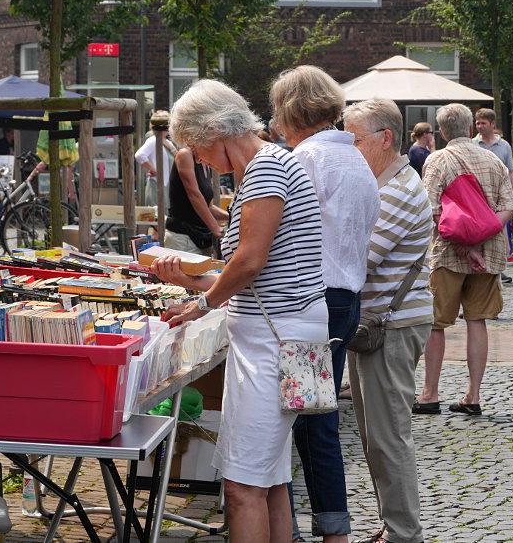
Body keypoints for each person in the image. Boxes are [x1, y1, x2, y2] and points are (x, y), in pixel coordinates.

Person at [150, 79, 328, 543]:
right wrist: (192, 284)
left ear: (215, 130)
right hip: (281, 331)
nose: (199, 159)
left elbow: (250, 261)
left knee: (244, 484)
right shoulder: (272, 164)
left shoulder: (266, 170)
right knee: (268, 478)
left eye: (196, 147)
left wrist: (202, 301)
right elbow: (254, 276)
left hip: (273, 340)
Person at [269, 65, 380, 543]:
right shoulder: (355, 159)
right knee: (318, 418)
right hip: (344, 297)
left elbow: (279, 235)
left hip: (311, 300)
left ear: (289, 112)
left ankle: (297, 528)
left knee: (299, 421)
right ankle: (330, 529)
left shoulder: (305, 160)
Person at [342, 98, 434, 543]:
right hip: (382, 323)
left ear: (384, 139)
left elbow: (360, 259)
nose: (347, 148)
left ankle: (403, 534)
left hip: (391, 326)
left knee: (387, 437)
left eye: (353, 139)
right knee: (374, 435)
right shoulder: (386, 182)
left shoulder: (396, 189)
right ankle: (392, 527)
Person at [414, 103, 513, 417]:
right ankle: (472, 395)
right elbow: (510, 206)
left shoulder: (438, 159)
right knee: (477, 321)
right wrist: (479, 238)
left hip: (448, 254)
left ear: (442, 131)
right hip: (490, 254)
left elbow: (430, 210)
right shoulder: (493, 159)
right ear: (471, 128)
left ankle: (430, 394)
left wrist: (463, 245)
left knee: (436, 325)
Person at [473, 108, 513, 269]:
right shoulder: (473, 144)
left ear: (492, 124)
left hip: (499, 198)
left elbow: (511, 173)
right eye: (477, 123)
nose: (479, 126)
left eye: (483, 123)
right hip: (477, 198)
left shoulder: (504, 146)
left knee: (500, 233)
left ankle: (498, 265)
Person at [164, 148, 228, 255]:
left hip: (203, 238)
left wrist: (232, 217)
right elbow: (194, 195)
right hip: (184, 237)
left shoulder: (205, 163)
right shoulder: (185, 155)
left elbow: (207, 206)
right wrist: (216, 228)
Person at [135, 109, 179, 207]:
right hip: (157, 185)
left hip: (167, 187)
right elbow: (139, 155)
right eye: (164, 124)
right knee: (158, 216)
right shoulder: (153, 140)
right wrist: (154, 170)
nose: (167, 126)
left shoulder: (169, 143)